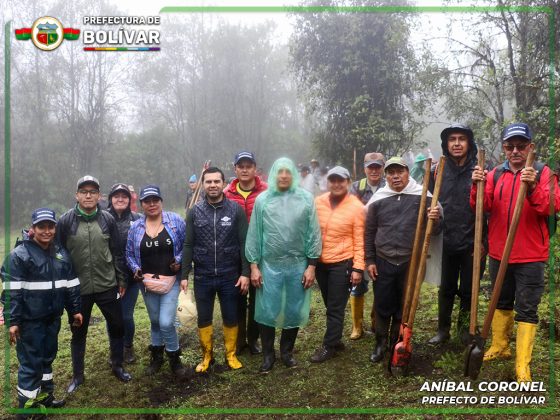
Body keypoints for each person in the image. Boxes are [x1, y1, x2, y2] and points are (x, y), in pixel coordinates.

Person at [471, 122, 560, 382]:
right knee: (501, 301)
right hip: (499, 252)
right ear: (504, 149)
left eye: (521, 146)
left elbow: (552, 207)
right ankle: (500, 346)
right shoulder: (495, 174)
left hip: (531, 254)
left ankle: (523, 364)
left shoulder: (544, 173)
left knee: (527, 308)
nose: (515, 151)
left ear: (530, 147)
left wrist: (532, 187)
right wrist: (476, 185)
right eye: (510, 146)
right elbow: (481, 205)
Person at [1, 208, 82, 413]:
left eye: (50, 226)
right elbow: (12, 292)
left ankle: (45, 399)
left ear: (55, 228)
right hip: (29, 322)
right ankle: (27, 411)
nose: (46, 231)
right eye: (41, 227)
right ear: (32, 229)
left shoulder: (61, 253)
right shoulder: (19, 255)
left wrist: (75, 310)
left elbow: (71, 284)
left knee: (47, 359)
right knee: (31, 365)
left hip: (52, 319)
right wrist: (13, 321)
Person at [246, 157, 322, 373]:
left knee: (293, 307)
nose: (284, 176)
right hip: (269, 265)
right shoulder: (263, 200)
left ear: (294, 175)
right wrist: (254, 266)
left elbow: (313, 234)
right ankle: (268, 355)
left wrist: (311, 265)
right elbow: (254, 235)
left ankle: (287, 352)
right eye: (279, 171)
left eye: (288, 171)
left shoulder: (306, 199)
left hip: (298, 264)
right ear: (273, 174)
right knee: (266, 309)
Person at [57, 175, 132, 393]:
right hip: (78, 289)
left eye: (93, 192)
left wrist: (121, 279)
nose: (88, 195)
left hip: (107, 284)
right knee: (78, 332)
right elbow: (59, 253)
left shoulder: (107, 219)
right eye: (84, 191)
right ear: (77, 195)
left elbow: (117, 252)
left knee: (117, 326)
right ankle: (78, 376)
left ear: (100, 196)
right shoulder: (66, 221)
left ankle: (117, 365)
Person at [365, 157, 442, 363]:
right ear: (386, 176)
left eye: (399, 171)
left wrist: (436, 217)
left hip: (410, 260)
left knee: (404, 303)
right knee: (382, 303)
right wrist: (370, 260)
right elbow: (369, 231)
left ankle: (395, 341)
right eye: (391, 173)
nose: (395, 176)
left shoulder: (422, 196)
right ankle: (380, 343)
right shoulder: (379, 199)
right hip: (383, 259)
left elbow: (435, 231)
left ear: (408, 173)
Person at [181, 167, 250, 372]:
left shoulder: (236, 210)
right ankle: (207, 356)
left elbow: (244, 242)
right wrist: (184, 274)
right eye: (208, 182)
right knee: (204, 318)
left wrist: (245, 272)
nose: (212, 185)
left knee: (231, 316)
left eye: (216, 181)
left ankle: (231, 355)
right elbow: (188, 244)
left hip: (230, 275)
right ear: (203, 184)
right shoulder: (194, 212)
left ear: (223, 183)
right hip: (203, 275)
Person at [428, 124, 486, 346]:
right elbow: (431, 200)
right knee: (446, 288)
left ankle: (465, 329)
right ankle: (443, 330)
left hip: (473, 240)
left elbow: (489, 208)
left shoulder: (479, 169)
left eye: (462, 139)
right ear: (446, 144)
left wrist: (484, 242)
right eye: (452, 139)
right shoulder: (438, 170)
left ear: (469, 143)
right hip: (446, 239)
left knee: (469, 289)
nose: (457, 143)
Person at [126, 185, 187, 376]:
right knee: (154, 321)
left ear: (161, 201)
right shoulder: (136, 226)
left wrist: (179, 260)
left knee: (166, 322)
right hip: (147, 283)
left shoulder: (175, 221)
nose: (152, 204)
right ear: (142, 204)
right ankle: (156, 357)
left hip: (171, 281)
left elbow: (187, 245)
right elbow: (128, 253)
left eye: (155, 200)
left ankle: (174, 359)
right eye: (147, 201)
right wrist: (135, 268)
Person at [311, 166, 364, 363]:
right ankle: (337, 337)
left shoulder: (356, 207)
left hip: (342, 263)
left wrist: (358, 268)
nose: (336, 184)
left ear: (348, 182)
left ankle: (329, 345)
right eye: (333, 180)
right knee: (331, 303)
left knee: (335, 306)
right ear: (327, 182)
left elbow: (360, 240)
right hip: (321, 263)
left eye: (341, 180)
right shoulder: (318, 202)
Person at [223, 151, 268, 355]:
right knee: (238, 297)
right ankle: (240, 341)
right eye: (240, 166)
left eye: (248, 165)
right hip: (235, 254)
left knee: (258, 298)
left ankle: (254, 340)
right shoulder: (227, 194)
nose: (244, 169)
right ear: (235, 169)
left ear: (255, 169)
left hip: (262, 252)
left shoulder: (266, 191)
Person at [349, 152, 385, 338]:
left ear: (383, 168)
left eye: (378, 166)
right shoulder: (357, 187)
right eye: (370, 167)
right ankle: (357, 326)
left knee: (381, 282)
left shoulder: (389, 186)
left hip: (383, 242)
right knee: (358, 282)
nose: (374, 170)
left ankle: (376, 319)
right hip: (360, 242)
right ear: (364, 168)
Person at [107, 183, 141, 363]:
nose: (120, 199)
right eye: (116, 196)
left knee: (126, 315)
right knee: (112, 316)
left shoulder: (137, 218)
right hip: (108, 278)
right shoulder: (102, 218)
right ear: (110, 199)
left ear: (129, 199)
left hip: (131, 277)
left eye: (124, 196)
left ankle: (128, 346)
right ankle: (115, 349)